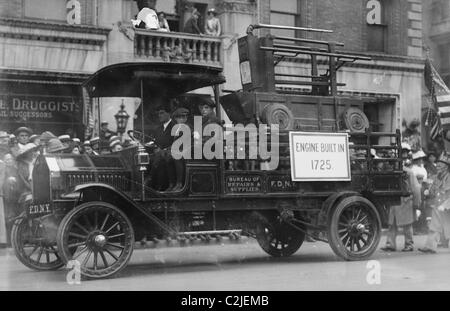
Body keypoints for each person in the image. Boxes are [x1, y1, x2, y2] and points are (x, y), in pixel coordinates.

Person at [381, 142, 421, 252]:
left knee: (406, 225)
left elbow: (415, 189)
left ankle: (408, 244)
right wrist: (417, 203)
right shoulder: (406, 172)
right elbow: (416, 188)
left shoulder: (408, 172)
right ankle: (391, 244)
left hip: (405, 200)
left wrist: (417, 204)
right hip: (398, 201)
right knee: (393, 224)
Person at [419, 153, 450, 254]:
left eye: (441, 166)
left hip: (446, 206)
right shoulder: (437, 177)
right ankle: (430, 247)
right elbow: (433, 189)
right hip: (438, 205)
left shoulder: (448, 177)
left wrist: (445, 205)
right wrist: (428, 191)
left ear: (446, 167)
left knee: (448, 227)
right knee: (434, 226)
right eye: (438, 165)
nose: (438, 167)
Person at [150, 106, 176, 191]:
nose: (159, 115)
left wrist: (163, 150)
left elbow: (177, 143)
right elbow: (156, 142)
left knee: (159, 159)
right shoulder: (158, 128)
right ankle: (152, 185)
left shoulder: (175, 126)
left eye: (162, 113)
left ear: (169, 114)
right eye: (158, 113)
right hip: (159, 153)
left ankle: (152, 182)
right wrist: (155, 147)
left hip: (171, 153)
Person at [171, 107, 190, 191]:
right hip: (178, 150)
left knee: (176, 157)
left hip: (185, 151)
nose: (182, 119)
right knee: (165, 158)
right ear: (176, 118)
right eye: (179, 117)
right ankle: (171, 183)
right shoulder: (177, 128)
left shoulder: (187, 127)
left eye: (184, 117)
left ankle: (179, 184)